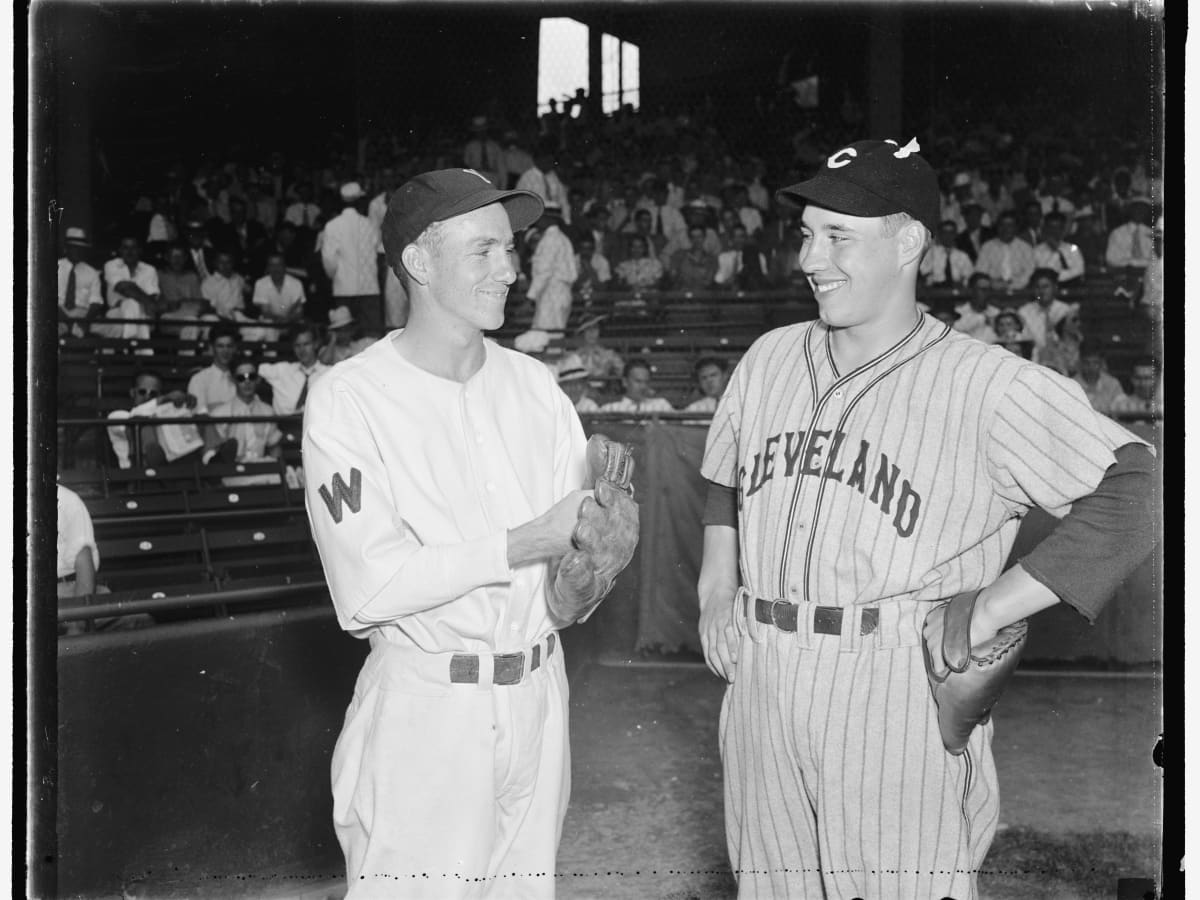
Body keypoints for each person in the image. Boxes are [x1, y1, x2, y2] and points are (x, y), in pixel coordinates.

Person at [697, 138, 1156, 900]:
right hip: (763, 676)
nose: (812, 257)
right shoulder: (770, 356)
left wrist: (994, 607)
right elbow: (724, 482)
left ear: (909, 242)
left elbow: (1142, 489)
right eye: (808, 234)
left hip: (893, 681)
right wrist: (717, 588)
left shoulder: (989, 385)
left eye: (839, 236)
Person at [303, 168, 596, 897]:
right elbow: (369, 587)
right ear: (420, 263)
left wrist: (592, 566)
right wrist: (522, 543)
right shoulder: (350, 399)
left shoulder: (537, 388)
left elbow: (568, 575)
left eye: (510, 248)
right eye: (485, 250)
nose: (511, 266)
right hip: (430, 708)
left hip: (538, 696)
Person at [106, 370, 209, 469]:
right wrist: (164, 399)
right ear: (133, 393)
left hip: (175, 469)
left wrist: (190, 404)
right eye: (142, 392)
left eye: (153, 394)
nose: (147, 396)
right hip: (137, 476)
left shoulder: (165, 415)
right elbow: (136, 416)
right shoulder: (117, 415)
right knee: (143, 425)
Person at [321, 181, 384, 335]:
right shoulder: (370, 225)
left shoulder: (332, 226)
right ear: (360, 201)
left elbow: (329, 260)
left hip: (343, 289)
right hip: (369, 290)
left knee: (345, 338)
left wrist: (336, 276)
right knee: (371, 338)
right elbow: (381, 252)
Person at [204, 357, 283, 465]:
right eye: (241, 378)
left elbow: (274, 449)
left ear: (258, 379)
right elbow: (211, 455)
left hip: (260, 469)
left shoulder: (268, 412)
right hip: (229, 472)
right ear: (233, 379)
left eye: (251, 377)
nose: (247, 382)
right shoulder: (218, 414)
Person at [525, 204, 578, 334]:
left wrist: (530, 298)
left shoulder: (550, 239)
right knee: (553, 334)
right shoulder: (563, 238)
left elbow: (544, 272)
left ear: (548, 218)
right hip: (561, 293)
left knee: (545, 336)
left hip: (552, 293)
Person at [95, 235, 160, 339]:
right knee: (131, 304)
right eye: (125, 248)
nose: (129, 252)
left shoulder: (149, 269)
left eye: (133, 248)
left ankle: (129, 344)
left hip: (143, 313)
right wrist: (145, 301)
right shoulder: (111, 265)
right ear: (120, 250)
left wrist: (133, 290)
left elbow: (152, 296)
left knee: (133, 308)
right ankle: (138, 346)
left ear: (139, 250)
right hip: (116, 313)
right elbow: (123, 287)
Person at [57, 226, 105, 338]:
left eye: (81, 248)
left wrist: (84, 322)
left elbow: (96, 303)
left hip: (83, 315)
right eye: (75, 248)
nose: (78, 251)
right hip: (58, 313)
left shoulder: (92, 272)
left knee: (112, 328)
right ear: (66, 248)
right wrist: (68, 321)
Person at [973, 211, 1036, 292]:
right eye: (1002, 225)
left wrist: (1011, 285)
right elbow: (980, 272)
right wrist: (993, 284)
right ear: (997, 227)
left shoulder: (1025, 248)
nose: (1005, 229)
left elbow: (1030, 273)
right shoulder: (987, 247)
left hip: (1020, 293)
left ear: (1016, 228)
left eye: (1010, 225)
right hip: (993, 292)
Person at [252, 251, 307, 340]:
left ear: (284, 267)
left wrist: (288, 320)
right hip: (271, 322)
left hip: (291, 322)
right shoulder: (260, 283)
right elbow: (265, 312)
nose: (276, 269)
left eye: (279, 265)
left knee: (302, 324)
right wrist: (279, 320)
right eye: (272, 265)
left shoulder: (296, 283)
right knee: (267, 324)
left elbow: (299, 311)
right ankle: (270, 353)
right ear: (268, 267)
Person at [186, 322, 241, 409]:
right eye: (220, 346)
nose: (225, 351)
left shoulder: (242, 378)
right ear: (212, 348)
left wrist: (213, 407)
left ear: (235, 348)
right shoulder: (199, 379)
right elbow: (198, 414)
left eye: (229, 346)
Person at [599, 359, 674, 413]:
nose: (643, 386)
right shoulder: (610, 409)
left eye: (646, 382)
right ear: (625, 382)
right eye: (638, 381)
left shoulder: (662, 405)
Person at [1072, 344, 1127, 416]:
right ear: (1080, 362)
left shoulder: (1113, 384)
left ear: (1101, 363)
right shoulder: (1072, 384)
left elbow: (1123, 411)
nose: (1091, 367)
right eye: (1087, 363)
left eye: (1095, 363)